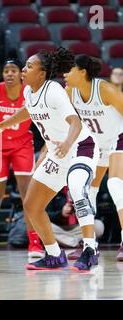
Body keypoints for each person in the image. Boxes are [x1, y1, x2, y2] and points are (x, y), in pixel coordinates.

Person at [0, 47, 99, 271]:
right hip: (59, 152)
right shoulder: (29, 92)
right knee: (32, 205)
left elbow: (75, 122)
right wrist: (1, 125)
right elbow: (27, 111)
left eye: (29, 66)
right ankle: (54, 255)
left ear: (42, 73)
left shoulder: (53, 90)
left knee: (76, 188)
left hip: (80, 147)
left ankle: (90, 249)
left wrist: (66, 144)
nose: (23, 70)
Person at [0, 59, 43, 258]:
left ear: (21, 73)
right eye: (6, 71)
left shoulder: (30, 92)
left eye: (13, 70)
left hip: (22, 145)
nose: (9, 74)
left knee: (27, 196)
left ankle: (34, 241)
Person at [64, 54, 123, 261]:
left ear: (82, 72)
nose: (65, 74)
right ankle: (89, 243)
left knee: (116, 185)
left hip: (118, 138)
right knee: (88, 191)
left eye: (69, 69)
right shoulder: (70, 91)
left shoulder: (105, 90)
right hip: (97, 143)